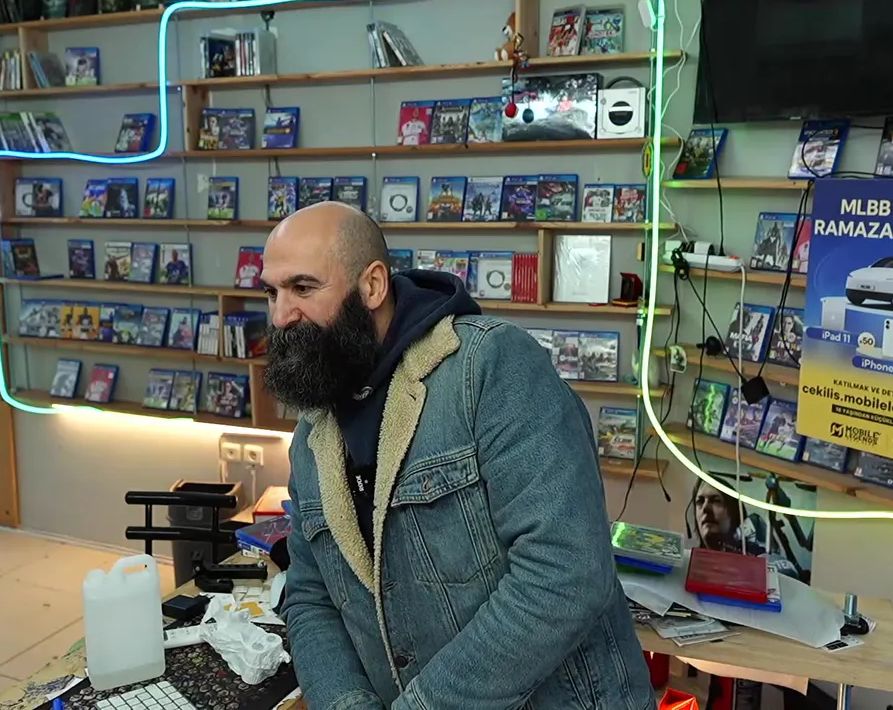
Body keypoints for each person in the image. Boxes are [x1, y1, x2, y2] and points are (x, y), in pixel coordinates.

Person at [262, 202, 654, 710]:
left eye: (303, 288)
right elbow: (311, 595)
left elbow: (566, 573)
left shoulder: (491, 368)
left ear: (372, 286)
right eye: (271, 292)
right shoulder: (313, 431)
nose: (281, 316)